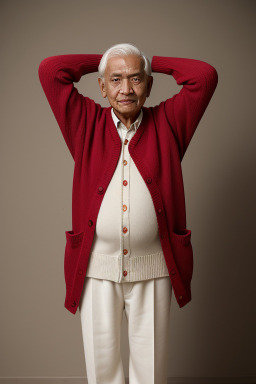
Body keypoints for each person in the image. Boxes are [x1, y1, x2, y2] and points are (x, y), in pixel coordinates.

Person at [38, 43, 218, 384]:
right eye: (116, 79)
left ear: (149, 86)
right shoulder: (85, 124)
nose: (126, 89)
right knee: (101, 371)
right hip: (96, 269)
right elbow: (51, 70)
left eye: (136, 79)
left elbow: (203, 76)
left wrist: (150, 60)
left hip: (153, 268)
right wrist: (104, 58)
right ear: (102, 87)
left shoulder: (168, 122)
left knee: (149, 372)